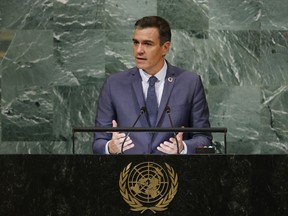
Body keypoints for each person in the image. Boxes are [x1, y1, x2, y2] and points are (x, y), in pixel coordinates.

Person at [93, 16, 212, 155]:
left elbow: (204, 139)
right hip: (128, 174)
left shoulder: (190, 83)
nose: (139, 50)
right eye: (136, 43)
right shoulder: (114, 84)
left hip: (174, 173)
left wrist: (183, 148)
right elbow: (98, 142)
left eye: (147, 44)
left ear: (165, 47)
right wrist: (110, 147)